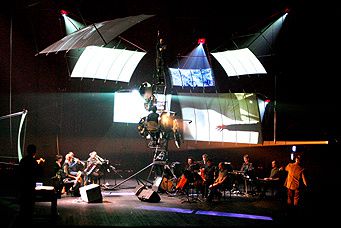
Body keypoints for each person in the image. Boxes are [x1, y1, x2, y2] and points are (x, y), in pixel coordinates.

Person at [17, 144, 44, 221]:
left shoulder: (23, 160)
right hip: (30, 184)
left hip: (23, 184)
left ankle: (23, 218)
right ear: (34, 152)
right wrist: (41, 164)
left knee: (23, 204)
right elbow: (39, 173)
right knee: (29, 204)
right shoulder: (32, 161)